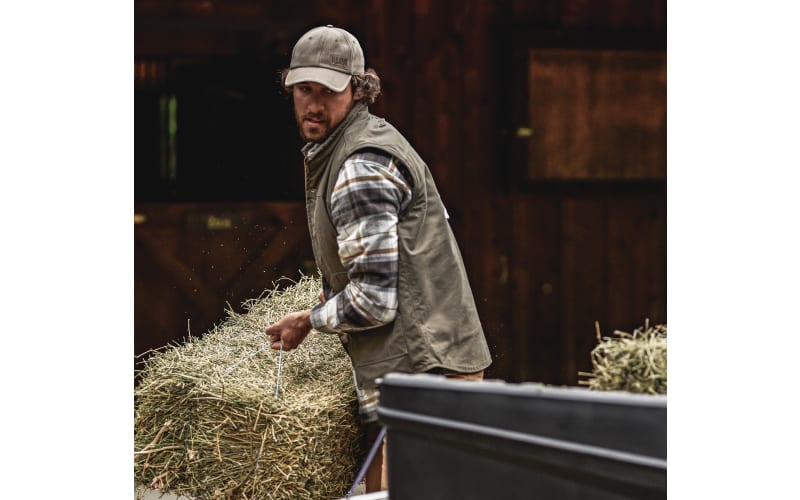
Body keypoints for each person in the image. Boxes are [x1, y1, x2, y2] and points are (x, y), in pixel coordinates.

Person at [265, 24, 492, 492]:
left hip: (426, 381)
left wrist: (310, 319)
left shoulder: (359, 168)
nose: (313, 104)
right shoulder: (353, 147)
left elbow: (374, 300)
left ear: (357, 88)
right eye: (303, 89)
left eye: (328, 91)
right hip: (419, 375)